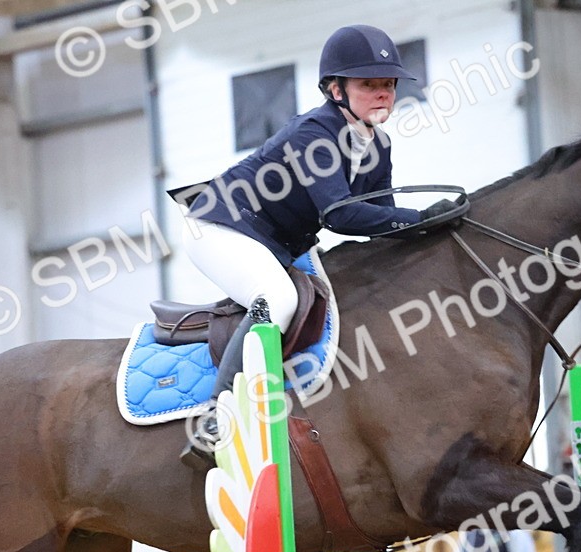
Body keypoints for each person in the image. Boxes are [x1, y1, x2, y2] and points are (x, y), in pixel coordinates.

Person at [177, 24, 457, 469]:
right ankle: (216, 419)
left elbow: (379, 222)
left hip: (272, 240)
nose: (384, 93)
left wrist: (431, 229)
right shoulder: (314, 132)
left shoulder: (378, 145)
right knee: (278, 300)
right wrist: (420, 218)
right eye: (369, 84)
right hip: (218, 225)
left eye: (388, 84)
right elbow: (342, 216)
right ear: (335, 89)